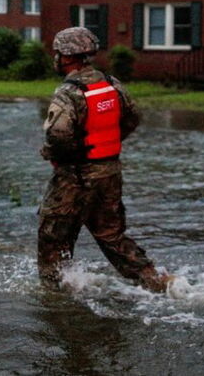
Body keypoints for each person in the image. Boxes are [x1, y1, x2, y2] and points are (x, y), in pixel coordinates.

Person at [37, 26, 172, 293]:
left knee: (53, 235)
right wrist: (105, 145)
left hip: (75, 177)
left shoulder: (68, 92)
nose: (55, 58)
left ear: (67, 56)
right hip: (110, 172)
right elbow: (132, 118)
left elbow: (58, 134)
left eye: (57, 53)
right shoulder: (111, 83)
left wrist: (54, 154)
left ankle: (55, 294)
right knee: (111, 235)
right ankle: (156, 280)